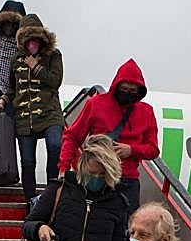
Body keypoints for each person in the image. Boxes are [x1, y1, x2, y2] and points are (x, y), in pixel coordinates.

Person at [58, 59, 159, 214]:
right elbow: (72, 136)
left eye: (132, 91)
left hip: (127, 180)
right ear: (116, 86)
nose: (127, 93)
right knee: (93, 223)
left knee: (126, 228)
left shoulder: (146, 112)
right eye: (124, 89)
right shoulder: (96, 103)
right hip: (98, 177)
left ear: (139, 91)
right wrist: (64, 167)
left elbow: (153, 150)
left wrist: (132, 150)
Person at [0, 13, 64, 203]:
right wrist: (3, 99)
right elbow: (12, 87)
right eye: (28, 40)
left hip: (49, 112)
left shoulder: (53, 55)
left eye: (35, 39)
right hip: (24, 117)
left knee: (55, 145)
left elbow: (55, 81)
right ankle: (30, 200)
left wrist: (36, 67)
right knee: (27, 161)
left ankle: (52, 194)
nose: (32, 44)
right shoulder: (16, 59)